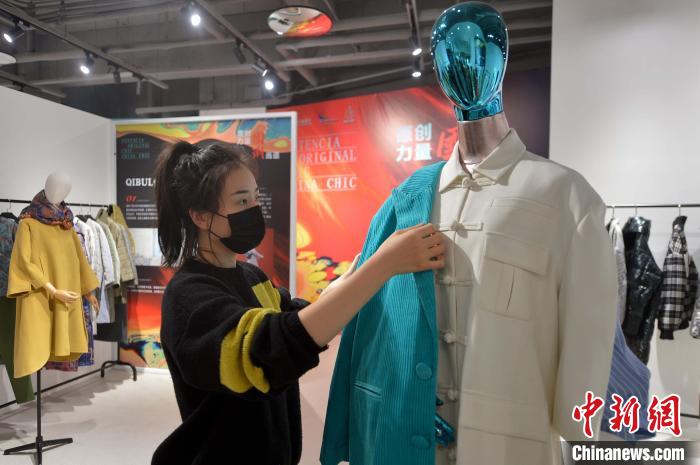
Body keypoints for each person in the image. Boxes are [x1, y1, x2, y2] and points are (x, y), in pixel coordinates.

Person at [151, 141, 445, 465]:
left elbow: (295, 319)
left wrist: (347, 282)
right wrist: (381, 267)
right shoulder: (187, 296)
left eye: (255, 198)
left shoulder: (250, 276)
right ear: (200, 216)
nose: (254, 209)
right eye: (241, 201)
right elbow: (269, 351)